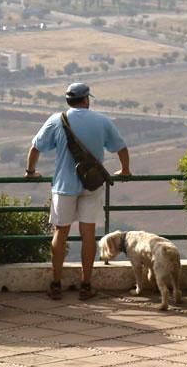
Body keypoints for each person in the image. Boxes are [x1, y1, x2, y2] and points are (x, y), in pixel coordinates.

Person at [25, 82, 130, 300]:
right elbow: (121, 147)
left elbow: (35, 147)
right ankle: (86, 285)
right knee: (88, 234)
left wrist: (30, 171)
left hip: (64, 186)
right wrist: (125, 170)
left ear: (68, 100)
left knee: (60, 233)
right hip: (91, 185)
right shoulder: (102, 120)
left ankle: (55, 284)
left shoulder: (57, 120)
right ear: (86, 99)